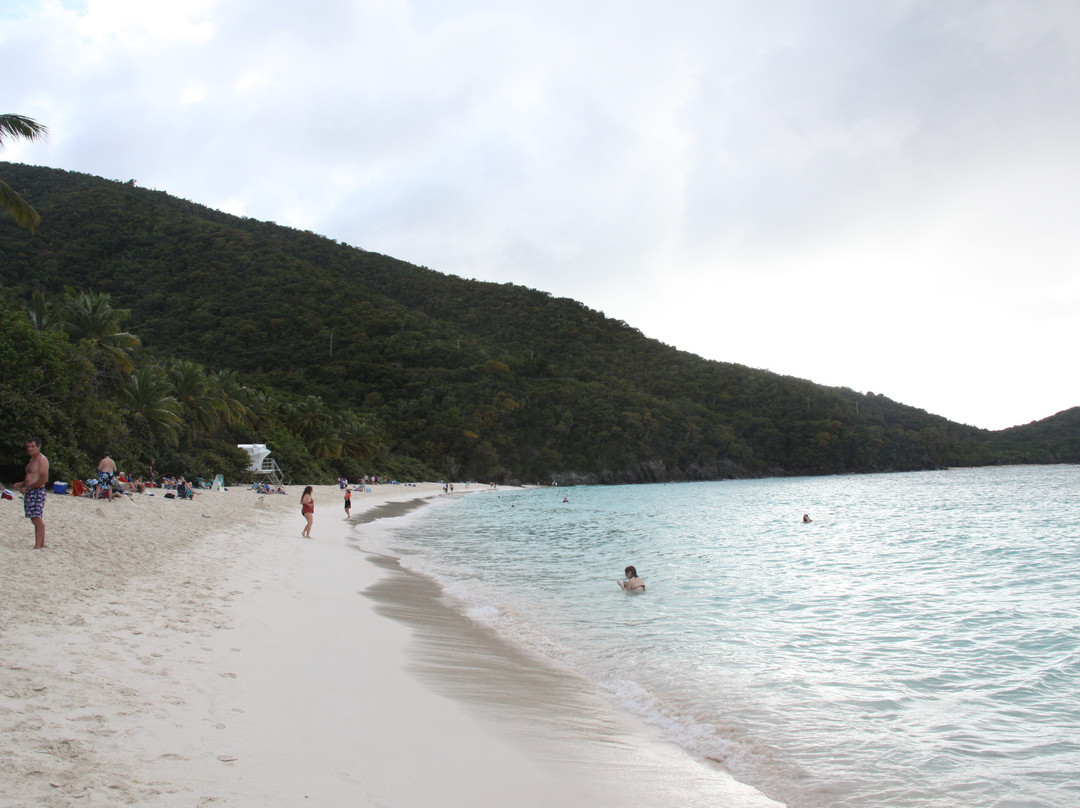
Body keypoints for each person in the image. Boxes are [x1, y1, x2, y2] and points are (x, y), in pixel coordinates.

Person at [14, 437, 49, 549]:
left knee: (36, 518)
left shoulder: (41, 460)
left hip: (37, 491)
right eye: (28, 447)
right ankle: (41, 544)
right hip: (30, 490)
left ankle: (38, 546)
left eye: (32, 446)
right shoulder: (32, 459)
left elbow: (44, 479)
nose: (30, 449)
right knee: (34, 518)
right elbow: (33, 477)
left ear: (38, 447)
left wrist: (28, 488)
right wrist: (22, 483)